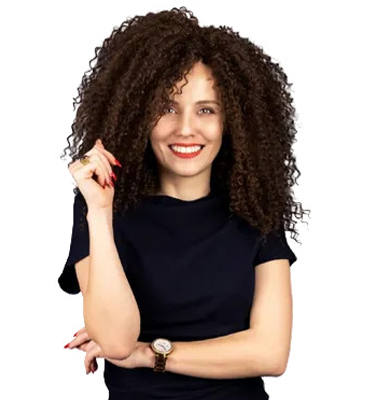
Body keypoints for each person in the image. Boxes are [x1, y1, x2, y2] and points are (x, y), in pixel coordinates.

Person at [58, 6, 309, 400]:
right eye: (167, 108)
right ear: (139, 115)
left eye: (206, 110)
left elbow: (270, 353)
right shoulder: (100, 208)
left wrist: (150, 354)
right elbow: (117, 342)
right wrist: (101, 211)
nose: (186, 128)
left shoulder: (257, 208)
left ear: (232, 121)